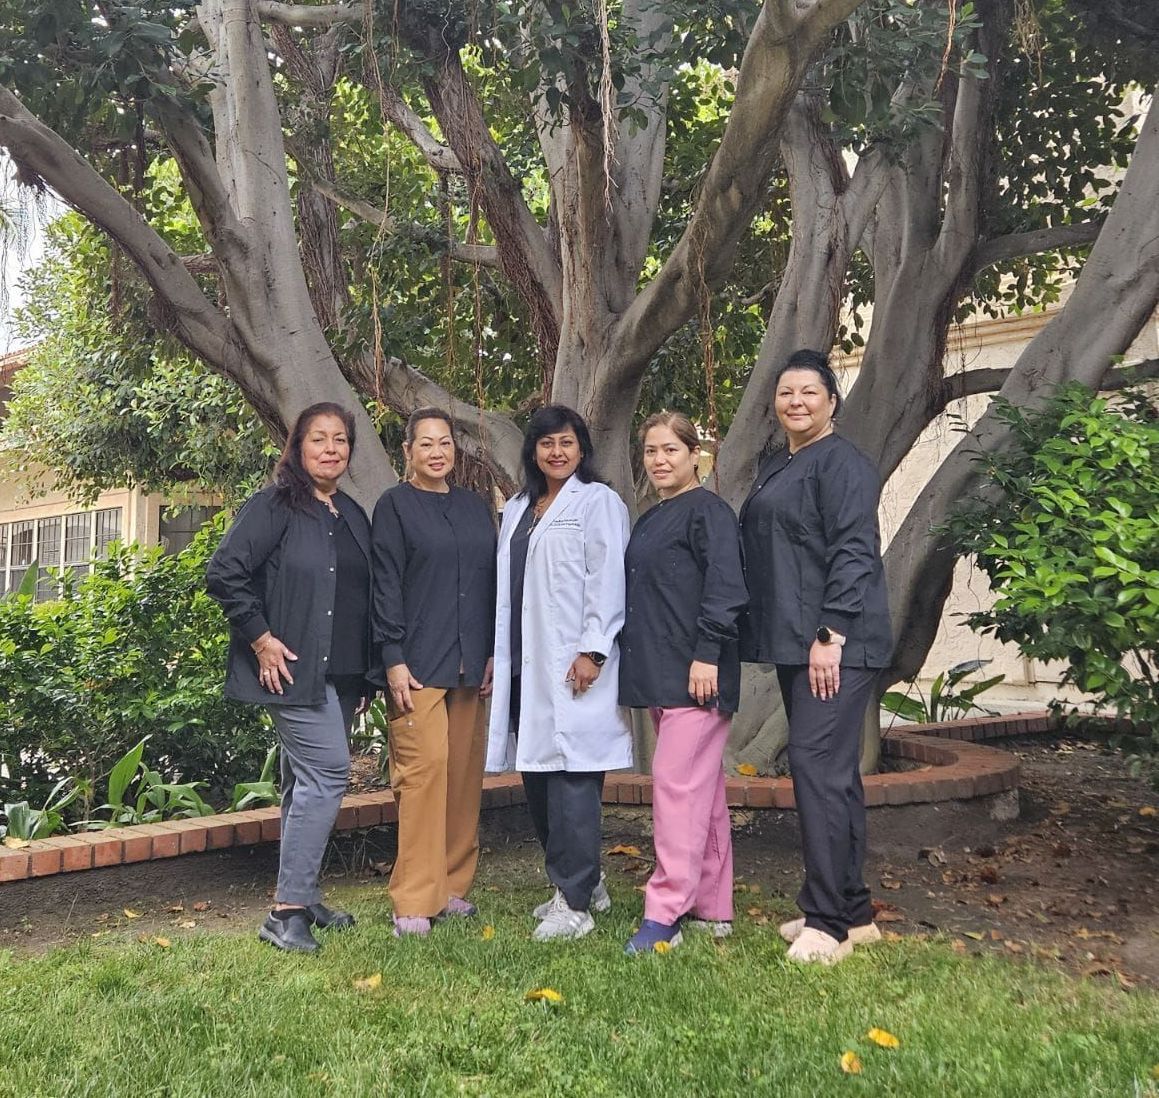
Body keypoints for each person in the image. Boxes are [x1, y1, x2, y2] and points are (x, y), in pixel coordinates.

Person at [738, 349, 893, 965]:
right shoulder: (780, 464)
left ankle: (826, 924)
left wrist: (831, 635)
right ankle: (853, 914)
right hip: (796, 641)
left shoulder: (844, 464)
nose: (795, 402)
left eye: (809, 391)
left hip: (835, 644)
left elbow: (855, 550)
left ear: (832, 401)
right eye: (785, 392)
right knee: (833, 773)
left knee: (816, 764)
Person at [207, 402, 371, 954]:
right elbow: (224, 572)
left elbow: (359, 597)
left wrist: (364, 677)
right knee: (328, 774)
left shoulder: (350, 513)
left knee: (303, 783)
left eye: (340, 439)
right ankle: (286, 912)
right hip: (292, 670)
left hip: (341, 676)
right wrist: (260, 638)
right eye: (319, 438)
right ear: (298, 447)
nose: (331, 448)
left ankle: (305, 892)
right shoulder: (274, 505)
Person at [485, 405, 632, 941]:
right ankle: (583, 881)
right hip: (525, 664)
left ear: (582, 448)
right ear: (533, 451)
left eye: (566, 442)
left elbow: (608, 578)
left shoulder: (597, 503)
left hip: (574, 664)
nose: (557, 452)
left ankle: (576, 902)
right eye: (546, 443)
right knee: (538, 776)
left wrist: (594, 650)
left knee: (573, 778)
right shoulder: (519, 508)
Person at [619, 412, 748, 955]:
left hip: (697, 675)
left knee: (675, 790)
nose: (660, 460)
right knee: (703, 794)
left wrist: (707, 655)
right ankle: (713, 907)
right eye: (651, 451)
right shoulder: (651, 518)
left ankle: (664, 910)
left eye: (671, 449)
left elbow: (726, 588)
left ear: (696, 455)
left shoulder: (709, 512)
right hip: (661, 672)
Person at [370, 408, 497, 937]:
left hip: (472, 662)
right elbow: (385, 585)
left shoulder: (474, 508)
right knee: (424, 773)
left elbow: (492, 584)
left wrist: (494, 652)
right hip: (417, 664)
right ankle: (414, 898)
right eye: (426, 443)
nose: (437, 452)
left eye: (445, 442)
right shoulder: (394, 507)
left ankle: (450, 887)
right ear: (408, 451)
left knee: (463, 777)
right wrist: (393, 657)